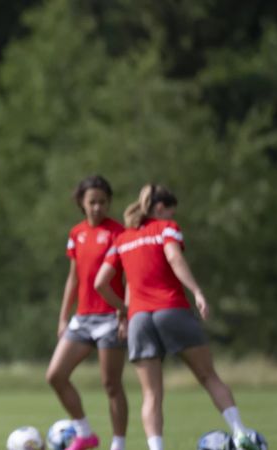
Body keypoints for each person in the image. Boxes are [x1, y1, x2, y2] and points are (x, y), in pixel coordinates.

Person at [93, 184, 260, 450]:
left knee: (151, 394)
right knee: (208, 377)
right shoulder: (166, 228)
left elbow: (101, 282)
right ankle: (240, 434)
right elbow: (173, 257)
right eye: (170, 211)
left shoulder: (122, 239)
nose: (171, 216)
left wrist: (123, 312)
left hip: (138, 319)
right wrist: (197, 291)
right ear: (160, 208)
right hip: (170, 309)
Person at [46, 175, 128, 450]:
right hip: (81, 319)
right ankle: (85, 433)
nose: (97, 207)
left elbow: (130, 277)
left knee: (111, 385)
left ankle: (118, 444)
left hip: (110, 318)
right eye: (92, 202)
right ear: (81, 202)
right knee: (55, 376)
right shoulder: (76, 233)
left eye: (103, 202)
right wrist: (63, 317)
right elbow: (74, 278)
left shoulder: (118, 233)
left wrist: (125, 314)